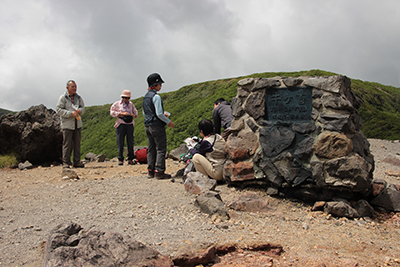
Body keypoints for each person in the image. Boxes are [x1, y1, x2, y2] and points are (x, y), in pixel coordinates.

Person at [143, 73, 174, 179]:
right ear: (155, 85)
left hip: (147, 125)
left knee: (151, 149)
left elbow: (144, 113)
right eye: (159, 84)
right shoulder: (156, 97)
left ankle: (150, 171)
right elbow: (159, 113)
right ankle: (159, 171)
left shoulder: (145, 97)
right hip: (157, 126)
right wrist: (168, 121)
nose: (161, 86)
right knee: (161, 148)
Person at [56, 80, 85, 168]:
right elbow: (58, 109)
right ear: (67, 87)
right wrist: (70, 113)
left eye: (75, 86)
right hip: (67, 124)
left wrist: (80, 111)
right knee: (67, 144)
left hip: (77, 123)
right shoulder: (63, 98)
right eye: (72, 87)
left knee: (77, 143)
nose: (74, 88)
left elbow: (83, 107)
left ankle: (77, 161)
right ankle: (66, 162)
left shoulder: (78, 98)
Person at [110, 90, 138, 165]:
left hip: (130, 123)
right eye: (125, 98)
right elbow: (112, 112)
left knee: (130, 141)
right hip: (121, 123)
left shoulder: (131, 104)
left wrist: (132, 114)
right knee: (120, 141)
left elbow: (136, 112)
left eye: (128, 98)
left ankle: (130, 158)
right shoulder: (117, 104)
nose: (126, 99)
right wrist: (121, 113)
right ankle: (120, 158)